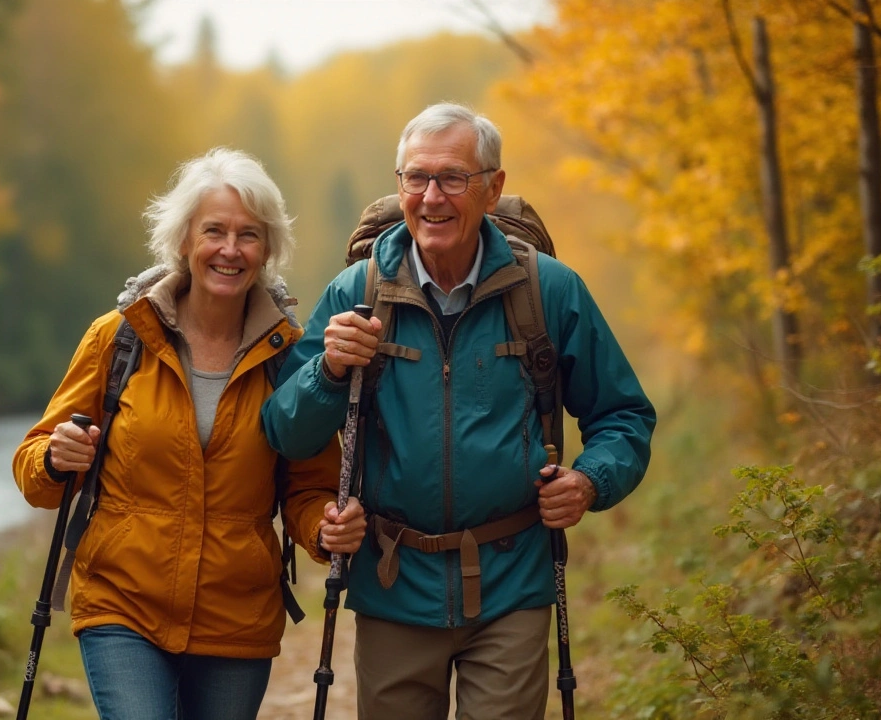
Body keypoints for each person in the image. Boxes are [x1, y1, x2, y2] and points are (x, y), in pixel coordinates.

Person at [261, 103, 656, 719]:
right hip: (393, 585)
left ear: (493, 187)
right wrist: (328, 370)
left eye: (453, 177)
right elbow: (284, 429)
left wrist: (590, 480)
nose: (432, 197)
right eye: (415, 178)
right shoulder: (357, 294)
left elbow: (624, 416)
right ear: (399, 185)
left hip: (511, 584)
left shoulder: (548, 291)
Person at [12, 147, 366, 720]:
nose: (230, 249)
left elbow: (308, 488)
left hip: (237, 618)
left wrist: (326, 529)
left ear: (268, 248)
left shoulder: (289, 359)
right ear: (183, 241)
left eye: (249, 235)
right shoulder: (119, 339)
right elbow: (36, 469)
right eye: (214, 231)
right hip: (121, 605)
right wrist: (56, 458)